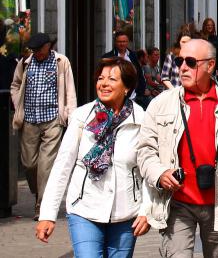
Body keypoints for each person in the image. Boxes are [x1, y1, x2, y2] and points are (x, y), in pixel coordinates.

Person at [137, 38, 218, 258]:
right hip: (177, 203)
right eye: (179, 61)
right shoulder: (161, 103)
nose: (183, 67)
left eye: (190, 62)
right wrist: (159, 173)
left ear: (211, 65)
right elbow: (145, 149)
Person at [36, 58, 151, 255]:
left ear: (127, 87)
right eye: (100, 78)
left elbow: (148, 170)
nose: (104, 83)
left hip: (126, 214)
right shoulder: (82, 116)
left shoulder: (141, 120)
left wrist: (147, 211)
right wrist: (47, 214)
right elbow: (62, 166)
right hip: (84, 209)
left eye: (112, 79)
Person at [11, 33, 78, 219]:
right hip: (30, 120)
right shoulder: (25, 62)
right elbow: (15, 84)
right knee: (29, 164)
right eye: (34, 50)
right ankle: (38, 193)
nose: (37, 53)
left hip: (52, 120)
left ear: (49, 46)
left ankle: (42, 206)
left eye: (39, 49)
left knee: (46, 165)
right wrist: (18, 104)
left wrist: (71, 117)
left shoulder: (61, 62)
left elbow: (70, 91)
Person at [102, 30, 144, 101]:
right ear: (115, 43)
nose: (122, 44)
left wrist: (140, 91)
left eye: (124, 41)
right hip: (114, 96)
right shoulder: (108, 57)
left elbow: (139, 74)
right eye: (119, 42)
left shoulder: (133, 55)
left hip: (133, 97)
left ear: (128, 42)